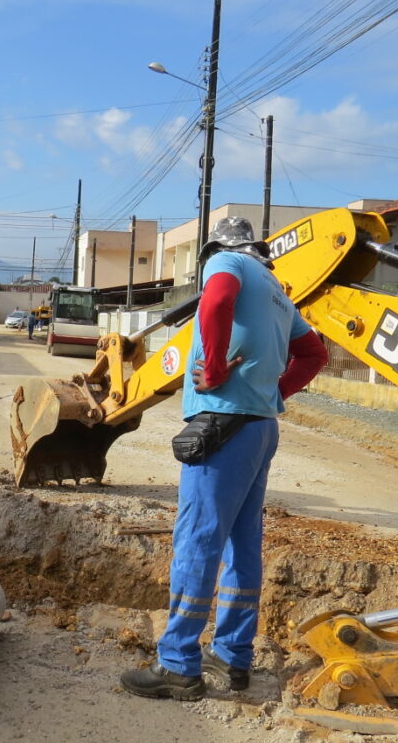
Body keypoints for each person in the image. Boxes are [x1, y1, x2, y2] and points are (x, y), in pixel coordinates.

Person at [121, 216, 326, 701]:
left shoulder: (225, 262)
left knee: (197, 542)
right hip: (259, 427)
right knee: (242, 545)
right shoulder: (277, 290)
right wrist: (275, 391)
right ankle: (234, 657)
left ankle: (178, 666)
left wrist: (212, 369)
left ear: (217, 248)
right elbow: (314, 354)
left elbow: (215, 301)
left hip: (222, 425)